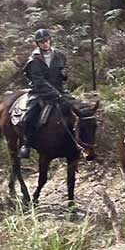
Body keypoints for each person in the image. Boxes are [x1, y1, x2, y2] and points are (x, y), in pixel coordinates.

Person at [19, 28, 75, 158]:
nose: (45, 43)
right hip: (40, 93)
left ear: (50, 40)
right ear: (37, 44)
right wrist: (54, 93)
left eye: (46, 40)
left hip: (60, 91)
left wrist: (64, 74)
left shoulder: (59, 55)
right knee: (29, 115)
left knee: (78, 109)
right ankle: (26, 145)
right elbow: (38, 81)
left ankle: (77, 143)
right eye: (42, 42)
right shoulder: (33, 60)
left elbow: (64, 69)